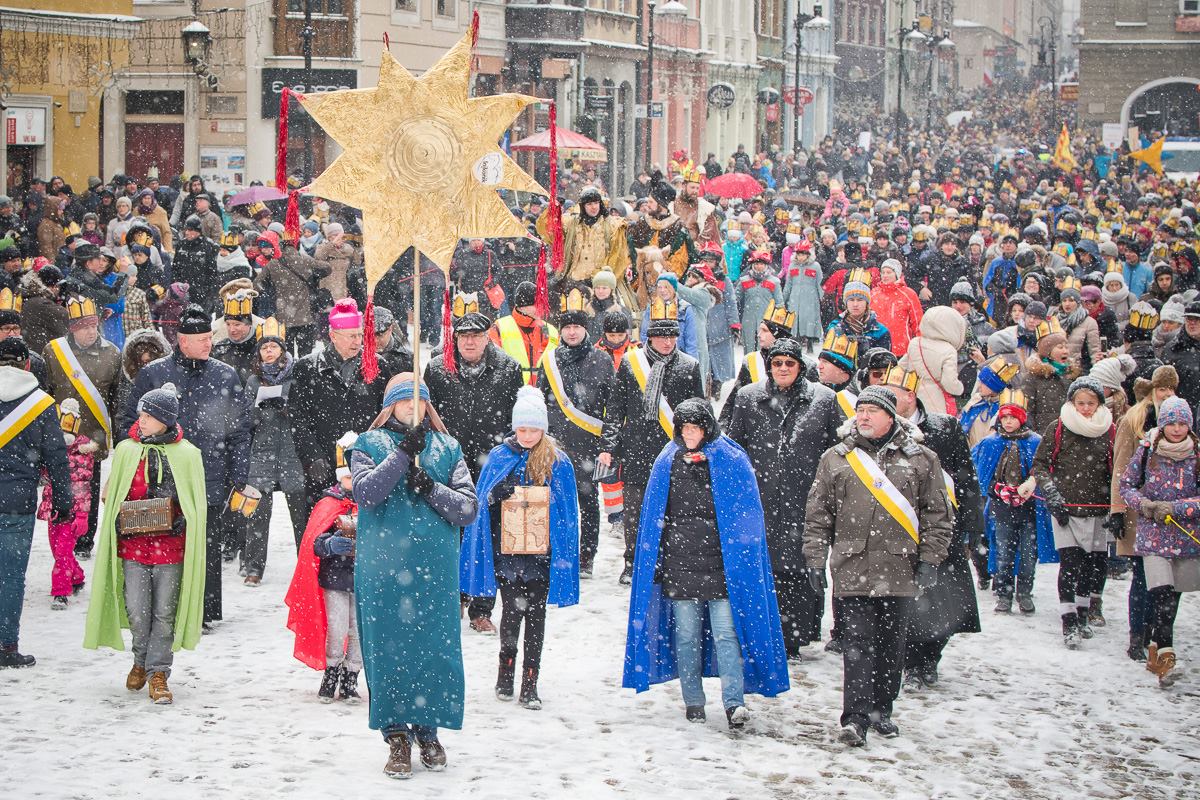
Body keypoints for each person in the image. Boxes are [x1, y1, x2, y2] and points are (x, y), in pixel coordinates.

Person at [623, 398, 789, 728]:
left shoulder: (731, 459)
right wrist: (656, 559)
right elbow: (656, 517)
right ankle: (693, 701)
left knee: (727, 635)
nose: (689, 435)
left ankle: (733, 702)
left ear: (707, 428)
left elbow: (746, 516)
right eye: (684, 428)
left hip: (723, 566)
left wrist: (740, 557)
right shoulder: (667, 461)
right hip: (681, 564)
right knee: (687, 636)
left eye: (695, 428)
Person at [804, 385, 951, 746]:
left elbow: (937, 514)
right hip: (851, 567)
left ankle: (882, 710)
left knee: (891, 645)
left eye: (872, 411)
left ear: (890, 416)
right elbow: (817, 515)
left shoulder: (921, 459)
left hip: (900, 567)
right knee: (856, 642)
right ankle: (854, 718)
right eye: (861, 410)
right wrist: (814, 558)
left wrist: (931, 559)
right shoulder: (836, 458)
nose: (864, 416)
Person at [349, 374, 479, 779]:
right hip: (384, 566)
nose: (412, 409)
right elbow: (366, 494)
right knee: (387, 650)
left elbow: (467, 509)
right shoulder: (366, 445)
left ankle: (429, 729)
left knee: (434, 649)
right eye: (405, 402)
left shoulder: (448, 447)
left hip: (434, 569)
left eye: (419, 402)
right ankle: (396, 735)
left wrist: (431, 489)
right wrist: (402, 455)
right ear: (390, 406)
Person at [121, 305, 251, 626]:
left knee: (205, 544)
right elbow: (129, 420)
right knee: (164, 543)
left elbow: (239, 429)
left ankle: (204, 611)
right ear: (181, 340)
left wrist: (239, 473)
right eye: (202, 339)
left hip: (211, 471)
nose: (209, 344)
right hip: (162, 474)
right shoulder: (154, 374)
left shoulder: (225, 374)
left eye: (210, 338)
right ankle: (166, 609)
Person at [82, 383, 207, 704]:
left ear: (165, 419)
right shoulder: (126, 450)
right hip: (133, 546)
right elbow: (115, 493)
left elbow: (195, 503)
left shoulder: (188, 455)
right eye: (141, 414)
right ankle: (140, 659)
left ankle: (159, 673)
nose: (142, 420)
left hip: (171, 547)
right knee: (138, 611)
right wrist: (122, 519)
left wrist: (179, 514)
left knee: (164, 613)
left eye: (149, 415)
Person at [461, 386, 580, 709]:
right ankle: (505, 672)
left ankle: (530, 683)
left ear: (544, 428)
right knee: (512, 614)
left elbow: (567, 511)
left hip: (541, 555)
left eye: (534, 429)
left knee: (537, 618)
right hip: (508, 551)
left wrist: (544, 503)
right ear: (515, 427)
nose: (527, 435)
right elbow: (482, 503)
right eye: (522, 428)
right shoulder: (500, 457)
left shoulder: (557, 460)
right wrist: (498, 493)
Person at [727, 337, 841, 658]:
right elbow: (736, 446)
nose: (783, 369)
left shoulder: (823, 400)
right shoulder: (749, 398)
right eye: (777, 363)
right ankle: (765, 631)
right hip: (760, 497)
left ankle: (795, 636)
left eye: (789, 363)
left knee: (801, 568)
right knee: (766, 568)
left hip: (806, 496)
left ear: (800, 367)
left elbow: (835, 450)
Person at [877, 366, 983, 692]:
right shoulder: (880, 432)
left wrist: (972, 524)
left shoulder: (945, 427)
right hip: (897, 530)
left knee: (945, 602)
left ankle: (928, 658)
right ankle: (911, 662)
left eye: (895, 396)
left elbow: (964, 476)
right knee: (903, 603)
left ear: (911, 397)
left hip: (939, 529)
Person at [424, 294, 523, 633]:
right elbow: (426, 416)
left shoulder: (508, 368)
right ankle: (453, 598)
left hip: (492, 464)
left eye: (476, 336)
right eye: (463, 335)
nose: (469, 341)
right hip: (450, 462)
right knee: (450, 534)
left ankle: (481, 606)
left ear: (487, 336)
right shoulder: (437, 368)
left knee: (486, 535)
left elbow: (516, 419)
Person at [599, 297, 704, 584]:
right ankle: (633, 561)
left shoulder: (690, 366)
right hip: (637, 449)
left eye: (672, 336)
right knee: (635, 512)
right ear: (650, 337)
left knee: (674, 511)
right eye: (661, 336)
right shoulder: (632, 364)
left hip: (674, 450)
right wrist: (608, 446)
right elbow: (616, 408)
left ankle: (671, 560)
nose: (668, 342)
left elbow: (700, 410)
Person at [290, 298, 406, 514]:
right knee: (322, 525)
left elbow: (388, 412)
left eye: (360, 335)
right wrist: (311, 455)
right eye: (352, 336)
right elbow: (297, 417)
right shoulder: (307, 367)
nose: (358, 341)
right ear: (333, 336)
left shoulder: (377, 364)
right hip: (322, 460)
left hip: (368, 460)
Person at [1118, 396, 1200, 688]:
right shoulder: (1147, 451)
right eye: (1171, 423)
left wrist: (1178, 508)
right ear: (1162, 424)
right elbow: (1126, 486)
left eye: (1182, 423)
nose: (1177, 429)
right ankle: (1167, 655)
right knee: (1161, 593)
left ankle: (1155, 645)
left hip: (1187, 539)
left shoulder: (1197, 454)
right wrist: (1146, 505)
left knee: (1173, 598)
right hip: (1153, 537)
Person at [0, 338, 71, 667]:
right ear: (26, 364)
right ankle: (7, 646)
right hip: (18, 500)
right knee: (11, 577)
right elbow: (57, 459)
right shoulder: (41, 403)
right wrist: (63, 499)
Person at [1032, 375, 1116, 650]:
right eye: (1080, 403)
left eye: (1091, 403)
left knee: (1091, 565)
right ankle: (1068, 621)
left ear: (1099, 403)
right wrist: (1052, 494)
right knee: (1070, 564)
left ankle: (1082, 615)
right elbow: (1040, 465)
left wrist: (1116, 506)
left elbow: (1116, 470)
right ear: (1071, 403)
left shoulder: (1109, 430)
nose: (1085, 408)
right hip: (1066, 508)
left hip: (1098, 508)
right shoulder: (1058, 428)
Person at [538, 289, 614, 576]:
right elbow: (540, 400)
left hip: (588, 445)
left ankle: (586, 556)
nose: (572, 332)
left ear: (585, 329)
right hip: (555, 444)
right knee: (555, 503)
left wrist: (608, 445)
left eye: (577, 326)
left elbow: (612, 406)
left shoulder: (602, 361)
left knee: (587, 503)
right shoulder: (550, 361)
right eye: (567, 327)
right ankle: (557, 553)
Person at [284, 433, 363, 702]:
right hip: (336, 579)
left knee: (359, 631)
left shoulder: (374, 505)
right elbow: (314, 543)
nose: (352, 482)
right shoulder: (328, 504)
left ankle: (352, 676)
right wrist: (330, 544)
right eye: (348, 476)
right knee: (337, 627)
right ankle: (332, 671)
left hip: (364, 580)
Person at [42, 296, 121, 558]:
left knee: (91, 491)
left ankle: (85, 540)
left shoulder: (112, 354)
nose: (91, 331)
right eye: (84, 326)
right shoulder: (53, 352)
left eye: (94, 325)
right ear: (73, 327)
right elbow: (45, 395)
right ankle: (62, 539)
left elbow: (116, 400)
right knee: (61, 491)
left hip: (93, 438)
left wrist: (120, 439)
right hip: (60, 439)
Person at [1109, 366, 1177, 661]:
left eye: (1171, 389)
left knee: (1166, 580)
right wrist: (1117, 509)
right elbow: (1120, 468)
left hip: (1169, 514)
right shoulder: (1134, 420)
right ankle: (1138, 634)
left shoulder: (1179, 422)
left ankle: (1156, 634)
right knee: (1141, 576)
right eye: (1162, 389)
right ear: (1151, 391)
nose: (1167, 395)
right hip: (1138, 509)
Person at [973, 387, 1055, 615]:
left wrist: (1030, 486)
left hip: (1030, 509)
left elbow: (1043, 471)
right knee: (1003, 553)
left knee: (1029, 555)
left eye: (1013, 417)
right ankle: (1003, 594)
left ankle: (1025, 593)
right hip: (1001, 508)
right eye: (1004, 417)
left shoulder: (1035, 442)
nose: (1008, 422)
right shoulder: (990, 443)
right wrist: (997, 489)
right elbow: (982, 476)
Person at [241, 317, 307, 584]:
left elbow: (306, 414)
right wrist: (257, 412)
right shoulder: (253, 382)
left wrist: (287, 408)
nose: (269, 351)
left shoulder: (297, 377)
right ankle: (254, 568)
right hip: (262, 454)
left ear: (283, 350)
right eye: (264, 347)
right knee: (258, 514)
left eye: (274, 347)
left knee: (300, 515)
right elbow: (243, 420)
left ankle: (306, 565)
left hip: (292, 453)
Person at [36, 398, 97, 608]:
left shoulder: (83, 454)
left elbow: (83, 488)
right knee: (58, 551)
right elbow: (44, 475)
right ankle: (77, 576)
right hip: (54, 509)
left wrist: (82, 515)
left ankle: (60, 593)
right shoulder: (51, 450)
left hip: (72, 512)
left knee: (62, 553)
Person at [254, 231, 329, 356]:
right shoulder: (306, 261)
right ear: (298, 246)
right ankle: (303, 375)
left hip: (284, 319)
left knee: (285, 355)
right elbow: (327, 268)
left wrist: (270, 288)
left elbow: (257, 284)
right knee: (305, 357)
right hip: (306, 319)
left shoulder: (273, 264)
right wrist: (313, 277)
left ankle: (288, 374)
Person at [489, 281, 559, 386]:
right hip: (512, 395)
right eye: (536, 304)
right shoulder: (499, 328)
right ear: (522, 307)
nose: (541, 308)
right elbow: (491, 364)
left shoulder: (551, 331)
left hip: (544, 395)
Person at [899, 306, 966, 415]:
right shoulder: (949, 350)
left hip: (913, 396)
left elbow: (901, 367)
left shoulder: (915, 343)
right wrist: (960, 388)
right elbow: (949, 383)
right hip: (937, 401)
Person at [1023, 318, 1079, 438]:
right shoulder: (1033, 377)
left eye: (1066, 347)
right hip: (1044, 436)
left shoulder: (1072, 374)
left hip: (1070, 435)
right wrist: (1034, 435)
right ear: (1047, 351)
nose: (1065, 351)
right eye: (1060, 347)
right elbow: (1027, 410)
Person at [827, 269, 892, 361]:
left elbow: (883, 367)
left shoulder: (881, 332)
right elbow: (829, 362)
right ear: (846, 303)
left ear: (867, 303)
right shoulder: (835, 327)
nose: (855, 304)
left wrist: (867, 355)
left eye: (860, 300)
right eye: (851, 300)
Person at [870, 259, 922, 357]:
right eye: (883, 272)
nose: (885, 275)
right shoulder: (873, 293)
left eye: (889, 272)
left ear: (896, 274)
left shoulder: (909, 294)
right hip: (876, 348)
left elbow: (918, 323)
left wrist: (920, 346)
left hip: (902, 350)